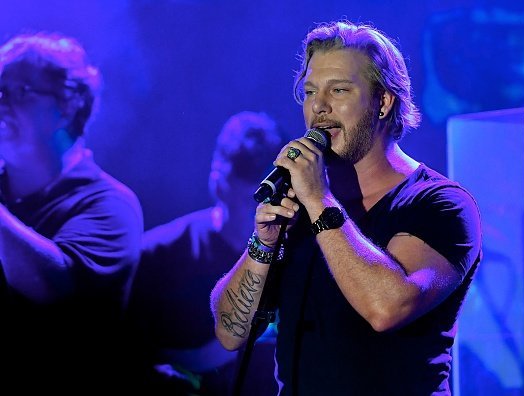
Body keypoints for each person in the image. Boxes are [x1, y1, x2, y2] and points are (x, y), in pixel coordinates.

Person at [210, 21, 483, 395]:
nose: (319, 107)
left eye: (338, 90)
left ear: (383, 102)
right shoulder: (301, 203)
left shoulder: (441, 204)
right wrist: (263, 243)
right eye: (309, 92)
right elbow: (229, 333)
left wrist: (319, 200)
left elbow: (386, 308)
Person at [0, 33, 143, 394]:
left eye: (19, 92)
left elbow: (50, 287)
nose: (1, 104)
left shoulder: (110, 204)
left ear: (67, 105)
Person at [128, 111, 284, 395]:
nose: (257, 207)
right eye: (248, 182)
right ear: (218, 178)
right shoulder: (155, 254)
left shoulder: (299, 256)